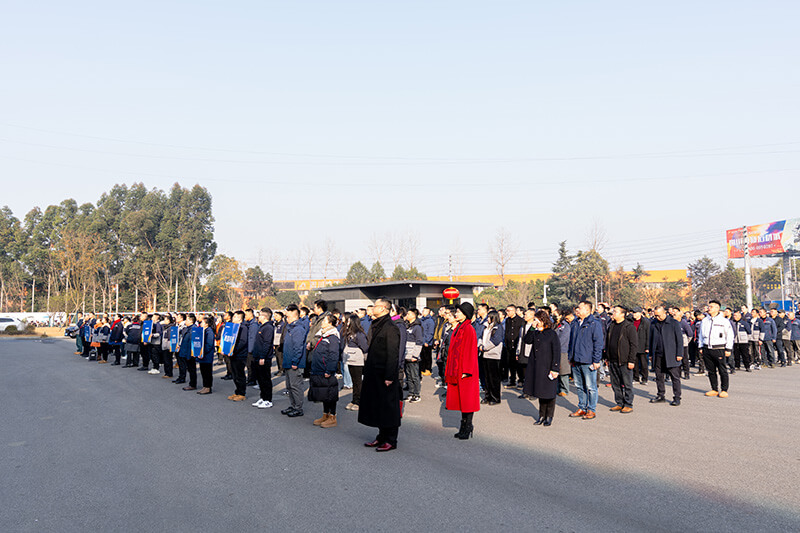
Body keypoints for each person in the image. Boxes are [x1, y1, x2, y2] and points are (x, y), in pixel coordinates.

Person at [360, 298, 402, 452]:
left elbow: (393, 354)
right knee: (378, 406)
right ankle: (381, 436)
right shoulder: (376, 324)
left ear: (384, 308)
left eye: (375, 306)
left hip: (385, 375)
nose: (372, 308)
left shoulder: (391, 327)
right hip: (374, 372)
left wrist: (390, 376)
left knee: (388, 407)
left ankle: (391, 439)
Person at [445, 302, 480, 440]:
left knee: (467, 400)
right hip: (457, 369)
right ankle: (464, 426)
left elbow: (471, 351)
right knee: (461, 400)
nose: (456, 314)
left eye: (459, 312)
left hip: (466, 371)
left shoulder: (468, 329)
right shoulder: (459, 327)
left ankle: (468, 426)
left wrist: (467, 370)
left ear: (465, 314)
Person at [567, 301, 604, 420]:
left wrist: (596, 360)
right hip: (576, 360)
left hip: (588, 360)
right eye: (577, 308)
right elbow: (571, 342)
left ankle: (591, 409)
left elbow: (598, 344)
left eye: (580, 308)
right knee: (579, 386)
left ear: (587, 310)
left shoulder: (594, 323)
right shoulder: (575, 323)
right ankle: (582, 407)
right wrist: (570, 357)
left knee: (590, 387)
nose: (577, 310)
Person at [524, 310, 560, 426]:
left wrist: (555, 368)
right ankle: (541, 415)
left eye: (537, 320)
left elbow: (556, 351)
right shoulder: (536, 332)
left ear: (543, 320)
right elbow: (527, 340)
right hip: (537, 367)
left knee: (549, 393)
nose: (536, 322)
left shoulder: (551, 333)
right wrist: (532, 328)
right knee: (540, 392)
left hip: (548, 366)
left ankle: (549, 416)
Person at [309, 315, 342, 428]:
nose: (322, 322)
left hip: (326, 370)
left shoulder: (332, 337)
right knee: (324, 393)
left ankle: (332, 417)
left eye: (324, 320)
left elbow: (334, 355)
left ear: (330, 323)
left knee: (330, 394)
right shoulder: (323, 335)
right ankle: (325, 414)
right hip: (319, 369)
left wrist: (330, 369)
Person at [698, 300, 735, 398]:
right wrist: (701, 346)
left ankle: (724, 389)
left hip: (719, 348)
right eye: (709, 306)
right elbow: (701, 335)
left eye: (712, 306)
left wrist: (728, 349)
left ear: (717, 308)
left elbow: (730, 335)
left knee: (722, 370)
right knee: (711, 370)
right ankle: (714, 388)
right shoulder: (705, 321)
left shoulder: (724, 321)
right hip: (707, 348)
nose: (709, 308)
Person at [605, 305, 638, 412]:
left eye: (615, 312)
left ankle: (628, 404)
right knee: (615, 384)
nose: (613, 314)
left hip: (624, 361)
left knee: (627, 384)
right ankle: (619, 402)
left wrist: (631, 360)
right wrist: (607, 357)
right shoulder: (612, 325)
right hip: (612, 360)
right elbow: (608, 342)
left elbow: (634, 345)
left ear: (622, 314)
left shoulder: (629, 327)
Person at [649, 306, 683, 406]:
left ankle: (677, 397)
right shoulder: (653, 323)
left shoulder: (673, 323)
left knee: (675, 377)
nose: (657, 317)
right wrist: (651, 353)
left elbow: (679, 340)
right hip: (658, 354)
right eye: (655, 315)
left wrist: (679, 354)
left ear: (664, 313)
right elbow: (650, 340)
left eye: (658, 315)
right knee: (659, 376)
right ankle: (661, 395)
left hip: (671, 354)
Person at [281, 305, 307, 417]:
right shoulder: (290, 328)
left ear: (294, 315)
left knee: (296, 386)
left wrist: (295, 362)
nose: (286, 317)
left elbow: (298, 348)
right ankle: (293, 405)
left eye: (288, 315)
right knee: (290, 386)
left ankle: (298, 408)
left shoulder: (298, 329)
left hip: (294, 364)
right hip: (288, 362)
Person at [342, 314, 369, 411]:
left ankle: (359, 401)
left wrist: (366, 360)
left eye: (349, 321)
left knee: (358, 382)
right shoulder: (349, 333)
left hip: (358, 361)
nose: (347, 323)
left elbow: (365, 348)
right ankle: (354, 400)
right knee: (354, 381)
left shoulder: (359, 334)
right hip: (350, 360)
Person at [251, 308, 275, 408]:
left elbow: (267, 343)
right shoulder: (262, 326)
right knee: (260, 379)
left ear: (264, 317)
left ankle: (268, 400)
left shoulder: (268, 328)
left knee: (265, 379)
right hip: (258, 356)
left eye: (260, 315)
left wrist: (262, 357)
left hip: (264, 358)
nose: (258, 317)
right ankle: (262, 397)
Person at [480, 310, 503, 405]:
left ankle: (495, 397)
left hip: (493, 355)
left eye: (489, 317)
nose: (487, 319)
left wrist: (484, 347)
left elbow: (496, 340)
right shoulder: (486, 326)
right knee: (487, 378)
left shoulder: (498, 327)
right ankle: (487, 396)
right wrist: (480, 345)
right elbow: (481, 337)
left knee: (494, 378)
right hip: (485, 355)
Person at [228, 310, 249, 401]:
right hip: (233, 354)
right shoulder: (233, 327)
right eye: (233, 316)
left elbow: (243, 342)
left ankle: (242, 393)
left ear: (240, 319)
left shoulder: (243, 328)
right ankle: (237, 391)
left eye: (235, 317)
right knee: (234, 373)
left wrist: (234, 350)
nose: (233, 318)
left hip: (240, 354)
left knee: (239, 374)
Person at [403, 308, 424, 403]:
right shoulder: (407, 326)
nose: (407, 315)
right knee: (409, 376)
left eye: (409, 314)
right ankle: (410, 393)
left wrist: (415, 356)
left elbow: (419, 342)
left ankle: (417, 394)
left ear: (414, 315)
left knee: (415, 376)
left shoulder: (417, 327)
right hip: (406, 355)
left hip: (413, 356)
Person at [502, 305, 524, 387]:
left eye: (509, 310)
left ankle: (521, 380)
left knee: (518, 364)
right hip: (508, 345)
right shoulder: (507, 320)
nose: (507, 312)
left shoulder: (520, 320)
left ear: (514, 311)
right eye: (506, 310)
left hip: (517, 345)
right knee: (511, 364)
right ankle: (512, 381)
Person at [515, 308, 536, 393]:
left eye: (526, 314)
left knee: (531, 373)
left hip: (530, 352)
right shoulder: (523, 326)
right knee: (523, 372)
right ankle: (526, 390)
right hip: (522, 351)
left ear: (532, 316)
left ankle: (532, 391)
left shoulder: (535, 326)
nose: (524, 316)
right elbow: (520, 339)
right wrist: (518, 351)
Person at [554, 308, 572, 397]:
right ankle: (557, 389)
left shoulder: (565, 326)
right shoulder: (555, 325)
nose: (554, 316)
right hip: (554, 350)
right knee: (556, 370)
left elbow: (563, 339)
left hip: (562, 350)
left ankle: (564, 389)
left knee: (563, 371)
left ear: (561, 316)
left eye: (556, 315)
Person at [196, 315, 216, 395]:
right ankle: (205, 386)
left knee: (207, 371)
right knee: (203, 371)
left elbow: (209, 344)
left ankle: (208, 387)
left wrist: (202, 352)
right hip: (202, 355)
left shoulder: (209, 331)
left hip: (206, 355)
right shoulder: (203, 331)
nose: (200, 324)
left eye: (202, 322)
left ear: (206, 324)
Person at [631, 307, 650, 384]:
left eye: (635, 313)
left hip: (642, 345)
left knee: (644, 364)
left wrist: (647, 347)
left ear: (640, 313)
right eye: (633, 313)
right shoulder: (631, 321)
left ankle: (645, 378)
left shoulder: (645, 322)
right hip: (633, 345)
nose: (634, 314)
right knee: (634, 363)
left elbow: (648, 335)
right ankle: (636, 378)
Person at [179, 314, 198, 391]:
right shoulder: (187, 328)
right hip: (186, 351)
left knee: (192, 368)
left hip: (190, 352)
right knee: (190, 368)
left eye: (186, 320)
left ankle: (193, 384)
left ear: (191, 320)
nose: (185, 322)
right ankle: (192, 383)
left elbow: (192, 342)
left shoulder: (194, 329)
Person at [420, 307, 435, 377]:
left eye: (424, 311)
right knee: (422, 356)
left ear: (428, 312)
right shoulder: (422, 320)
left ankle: (428, 369)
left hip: (427, 342)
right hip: (422, 341)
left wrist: (427, 341)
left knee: (427, 357)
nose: (423, 312)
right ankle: (423, 369)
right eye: (423, 311)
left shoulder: (430, 321)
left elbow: (431, 332)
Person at [273, 311, 286, 376]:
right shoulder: (276, 324)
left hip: (279, 343)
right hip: (275, 342)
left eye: (277, 315)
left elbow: (281, 335)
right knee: (277, 357)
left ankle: (282, 370)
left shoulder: (282, 324)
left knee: (280, 357)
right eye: (275, 315)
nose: (275, 317)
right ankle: (279, 369)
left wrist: (280, 343)